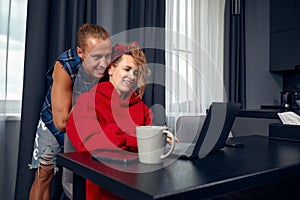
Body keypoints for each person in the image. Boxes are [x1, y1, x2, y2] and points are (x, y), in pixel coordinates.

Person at [28, 23, 112, 200]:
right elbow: (61, 122)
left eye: (107, 56)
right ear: (80, 53)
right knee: (44, 174)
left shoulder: (111, 65)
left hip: (88, 121)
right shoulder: (65, 65)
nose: (104, 63)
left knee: (90, 176)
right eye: (96, 57)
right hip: (56, 121)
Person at [66, 42, 153, 199]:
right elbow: (91, 143)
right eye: (127, 70)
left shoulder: (141, 107)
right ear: (111, 69)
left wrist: (162, 138)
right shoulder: (87, 101)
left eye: (136, 73)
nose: (132, 77)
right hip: (104, 182)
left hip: (141, 181)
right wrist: (137, 139)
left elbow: (150, 141)